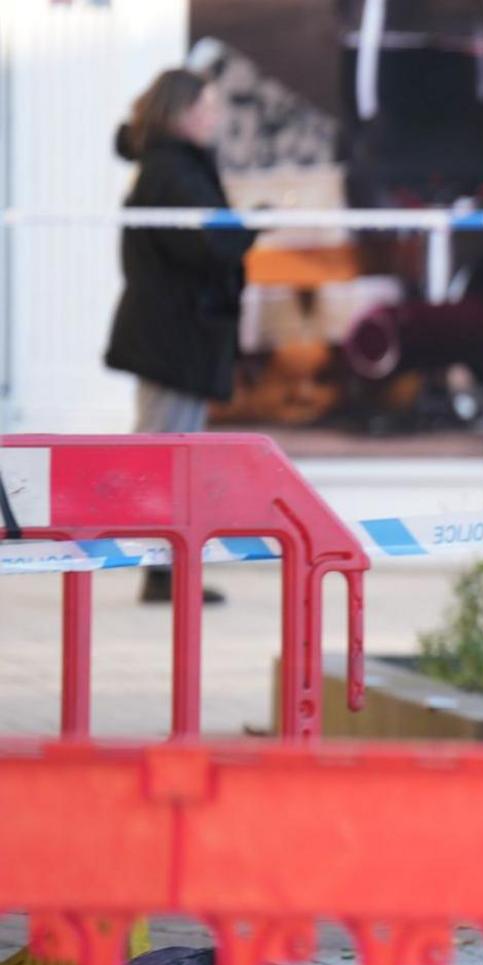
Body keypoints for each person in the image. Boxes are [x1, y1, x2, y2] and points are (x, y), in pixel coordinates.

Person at [105, 69, 252, 605]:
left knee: (173, 450)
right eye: (207, 108)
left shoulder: (170, 166)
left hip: (176, 335)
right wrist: (250, 227)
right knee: (163, 453)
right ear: (182, 112)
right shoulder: (170, 170)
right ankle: (159, 567)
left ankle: (166, 565)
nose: (214, 119)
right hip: (172, 338)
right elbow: (209, 244)